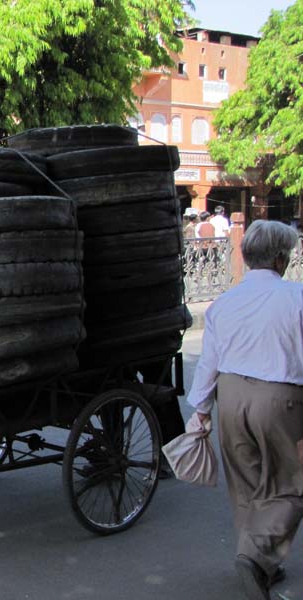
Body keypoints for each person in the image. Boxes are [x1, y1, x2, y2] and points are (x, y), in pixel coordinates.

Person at [186, 220, 303, 600]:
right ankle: (254, 558)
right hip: (280, 399)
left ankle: (260, 561)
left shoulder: (225, 302)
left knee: (247, 483)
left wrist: (201, 409)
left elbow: (210, 361)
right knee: (290, 485)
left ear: (244, 255)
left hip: (231, 397)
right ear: (282, 258)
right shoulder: (296, 298)